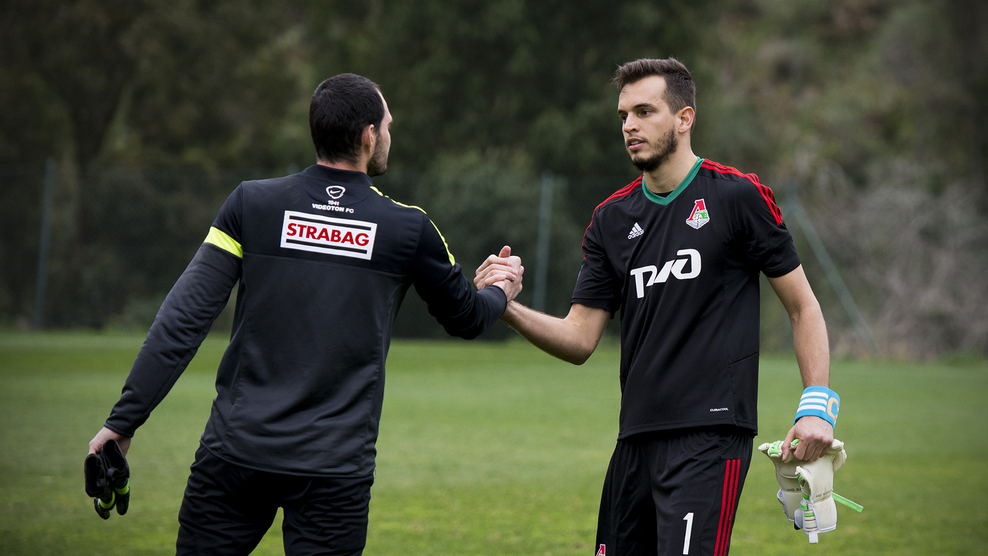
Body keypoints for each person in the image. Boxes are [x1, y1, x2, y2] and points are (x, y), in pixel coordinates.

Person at [87, 73, 523, 556]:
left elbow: (183, 318)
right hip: (334, 472)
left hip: (234, 456)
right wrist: (501, 289)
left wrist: (123, 423)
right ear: (368, 136)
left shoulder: (251, 203)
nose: (389, 135)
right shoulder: (408, 228)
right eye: (388, 126)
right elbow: (466, 317)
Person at [476, 58, 838, 556]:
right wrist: (506, 306)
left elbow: (802, 307)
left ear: (684, 119)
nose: (629, 125)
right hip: (634, 440)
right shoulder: (610, 220)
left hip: (710, 437)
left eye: (644, 112)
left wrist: (818, 409)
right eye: (623, 115)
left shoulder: (737, 196)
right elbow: (579, 338)